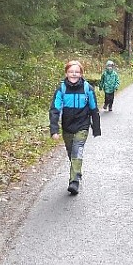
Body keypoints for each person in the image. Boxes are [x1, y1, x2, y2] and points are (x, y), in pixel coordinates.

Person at [49, 60, 101, 195]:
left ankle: (74, 181)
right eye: (71, 72)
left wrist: (96, 128)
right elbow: (54, 110)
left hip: (82, 125)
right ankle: (77, 171)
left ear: (81, 74)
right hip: (67, 126)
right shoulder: (61, 89)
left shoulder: (87, 88)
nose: (74, 74)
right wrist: (54, 130)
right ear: (66, 73)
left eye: (77, 72)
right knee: (71, 152)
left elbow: (94, 108)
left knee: (77, 151)